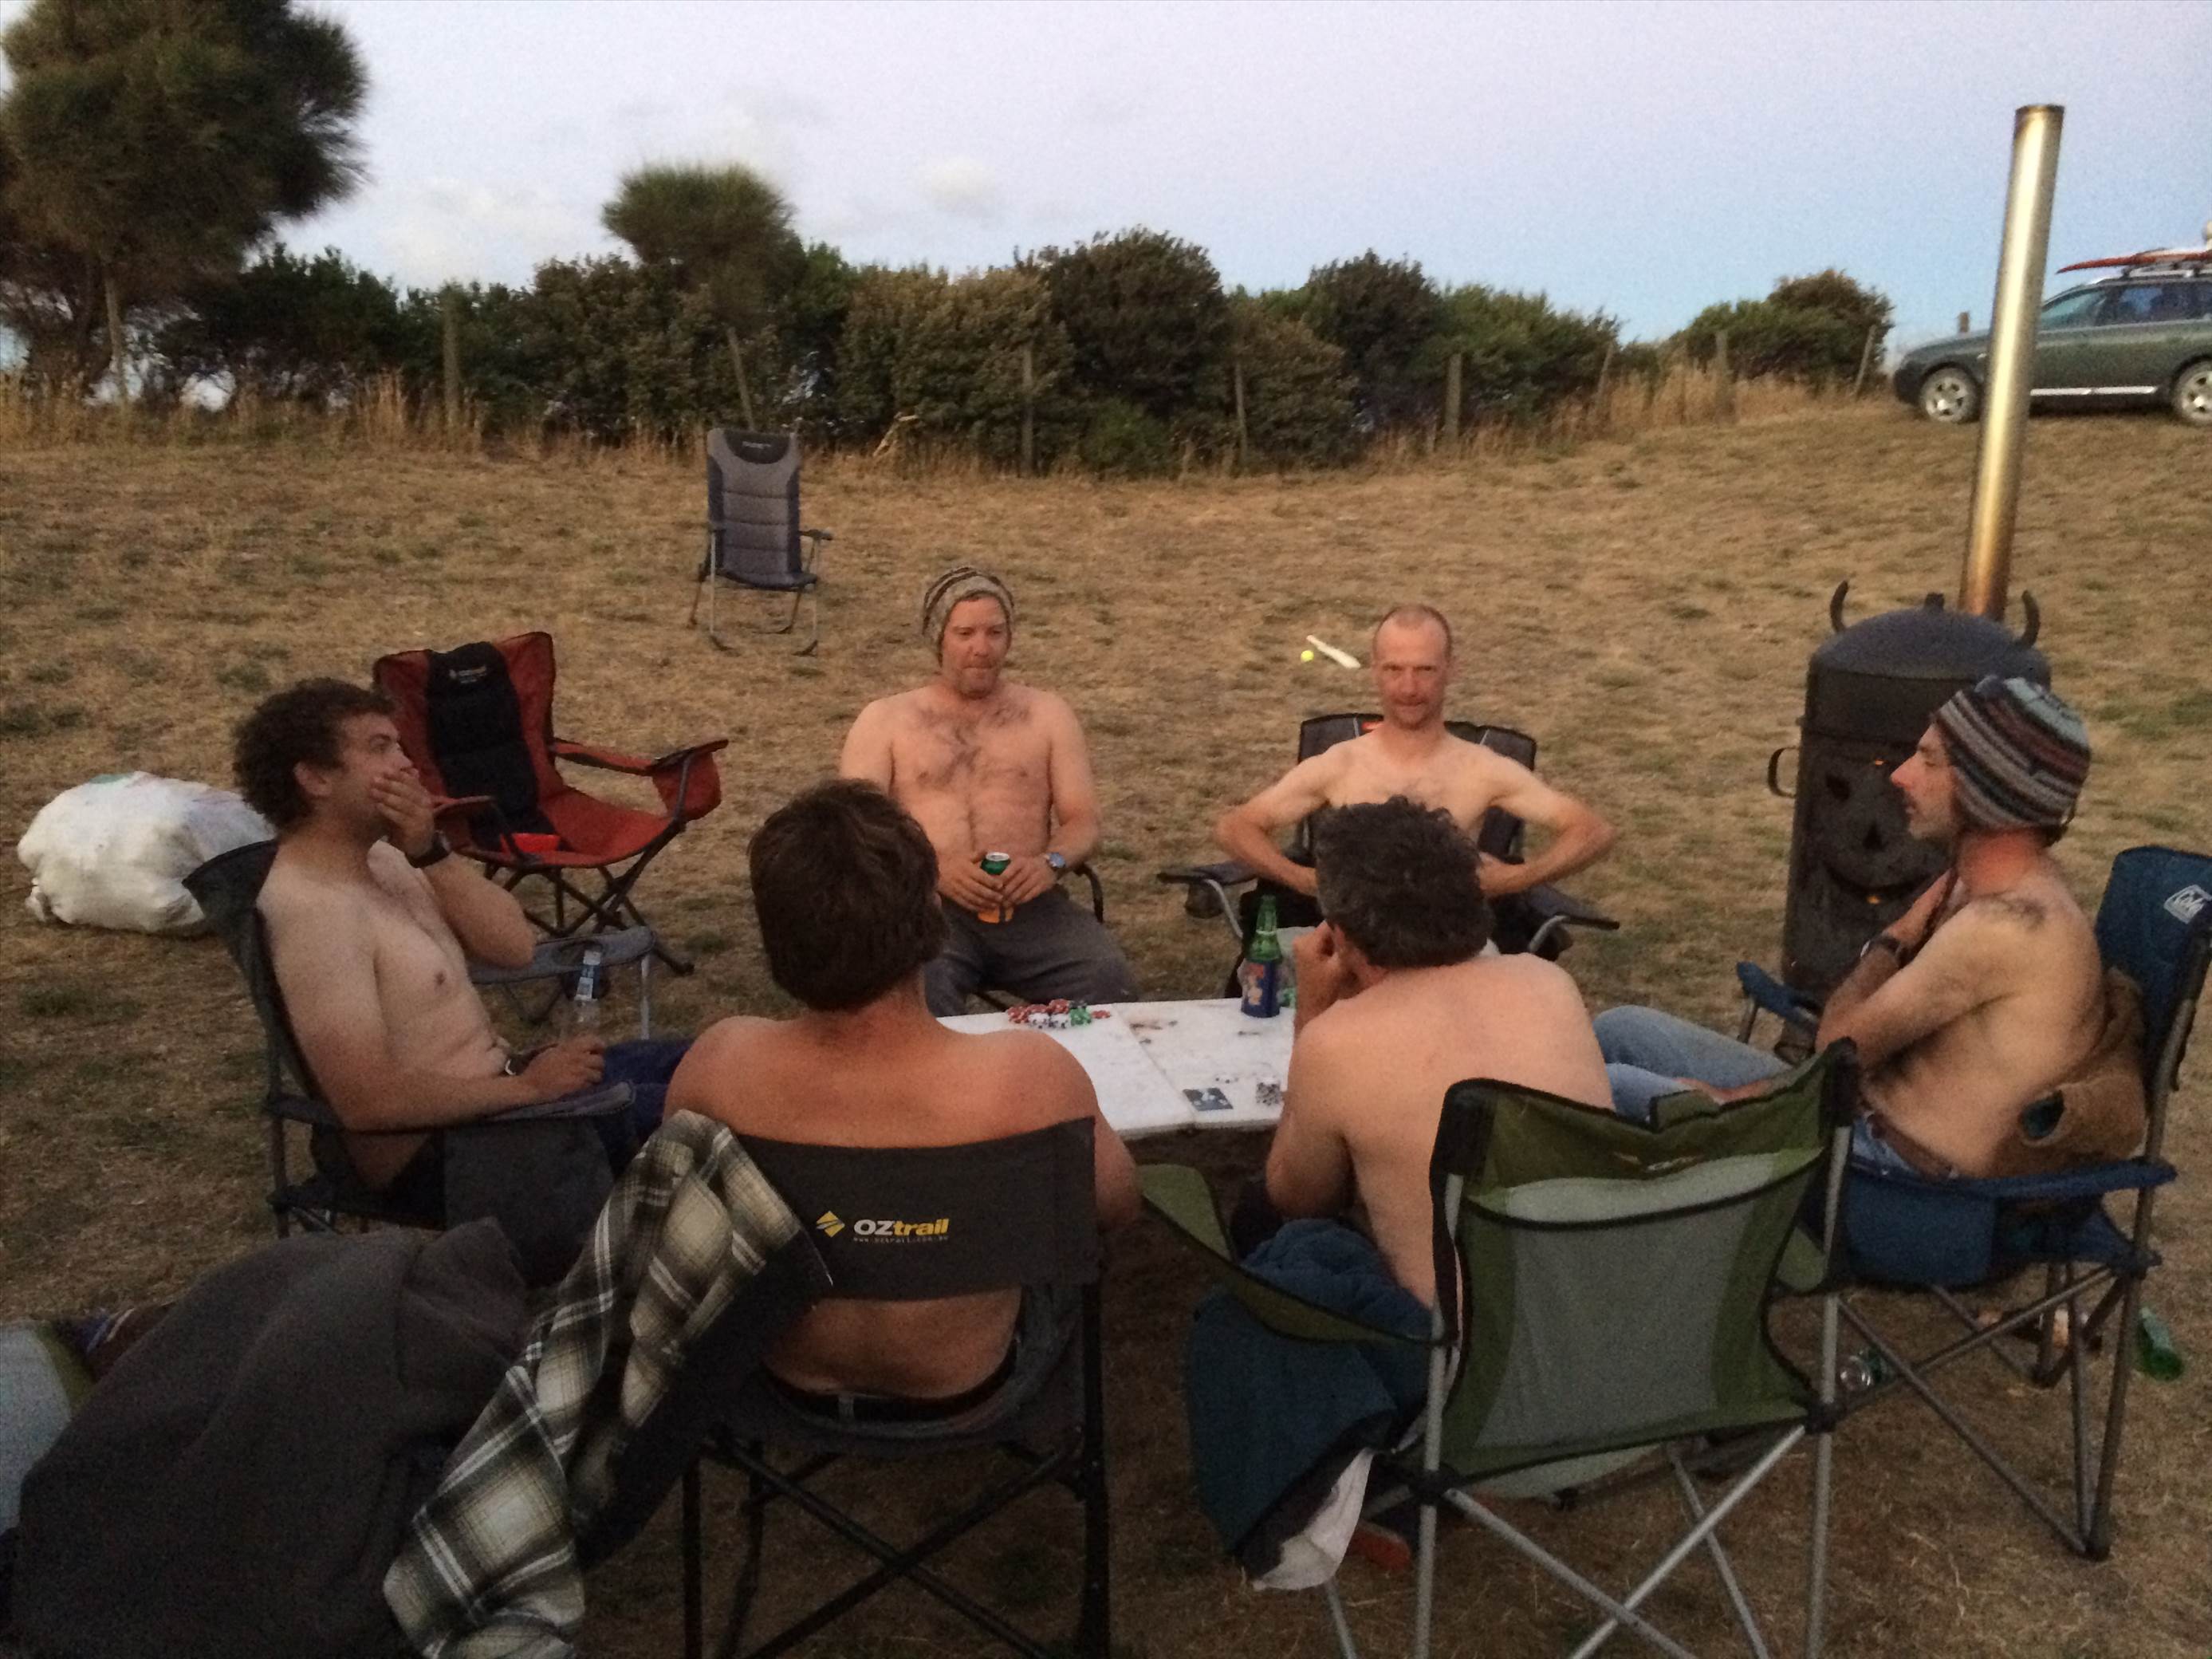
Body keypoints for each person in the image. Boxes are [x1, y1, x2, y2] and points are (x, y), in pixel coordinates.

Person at [667, 779, 1139, 1405]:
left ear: (775, 938)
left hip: (781, 1376)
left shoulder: (718, 1067)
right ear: (933, 917)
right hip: (970, 1380)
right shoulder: (1030, 1078)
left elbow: (684, 1227)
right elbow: (1113, 1209)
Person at [1598, 676, 2104, 1180]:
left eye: (1929, 761)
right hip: (1850, 1113)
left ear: (1989, 790)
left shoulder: (2006, 927)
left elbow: (1837, 1047)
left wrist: (1897, 935)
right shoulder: (2001, 889)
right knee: (1622, 1029)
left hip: (1886, 1181)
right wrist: (1746, 1098)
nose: (1900, 775)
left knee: (1610, 1087)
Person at [238, 680, 687, 1203]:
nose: (407, 765)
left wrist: (431, 853)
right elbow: (368, 1102)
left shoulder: (388, 860)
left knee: (723, 1055)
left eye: (400, 746)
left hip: (507, 1095)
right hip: (453, 1152)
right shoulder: (313, 910)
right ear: (315, 778)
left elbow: (514, 947)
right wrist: (528, 1089)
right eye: (380, 748)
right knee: (722, 1104)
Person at [1262, 797, 1613, 1302]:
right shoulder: (1548, 984)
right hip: (1589, 1309)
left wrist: (1312, 1012)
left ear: (1338, 934)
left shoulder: (1336, 1041)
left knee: (1290, 1243)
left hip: (1459, 1340)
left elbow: (1296, 1199)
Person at [840, 565, 1138, 1015]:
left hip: (1030, 902)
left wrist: (1050, 864)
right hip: (925, 906)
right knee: (920, 1001)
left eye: (994, 632)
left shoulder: (1047, 715)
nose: (981, 648)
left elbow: (1084, 820)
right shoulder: (885, 721)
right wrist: (932, 870)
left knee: (1109, 982)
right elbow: (857, 829)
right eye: (965, 633)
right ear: (938, 639)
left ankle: (1068, 1063)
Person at [1213, 603, 1615, 903]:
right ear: (1375, 670)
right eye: (1394, 670)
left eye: (1425, 670)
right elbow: (1236, 828)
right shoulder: (1342, 764)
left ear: (1451, 670)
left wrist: (1513, 880)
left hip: (1450, 947)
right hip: (1358, 947)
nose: (1408, 688)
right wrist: (1304, 880)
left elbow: (1592, 831)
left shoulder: (1482, 770)